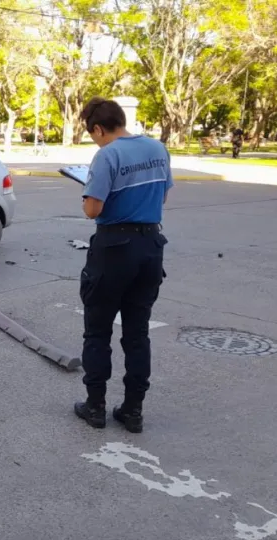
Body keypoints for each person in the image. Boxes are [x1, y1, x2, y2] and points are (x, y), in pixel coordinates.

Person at [73, 97, 173, 433]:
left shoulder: (107, 155)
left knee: (98, 330)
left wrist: (91, 193)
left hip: (114, 249)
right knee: (137, 333)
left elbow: (92, 210)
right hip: (150, 247)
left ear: (98, 128)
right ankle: (133, 411)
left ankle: (96, 405)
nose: (95, 140)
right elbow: (163, 196)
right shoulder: (158, 149)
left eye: (93, 134)